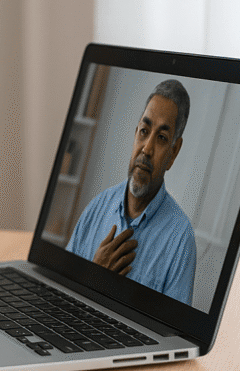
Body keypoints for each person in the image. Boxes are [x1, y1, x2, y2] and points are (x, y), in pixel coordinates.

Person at [66, 80, 196, 304]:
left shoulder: (181, 241)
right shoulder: (97, 207)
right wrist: (93, 276)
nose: (147, 148)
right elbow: (59, 292)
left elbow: (171, 327)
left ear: (173, 152)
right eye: (144, 131)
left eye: (161, 138)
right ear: (135, 133)